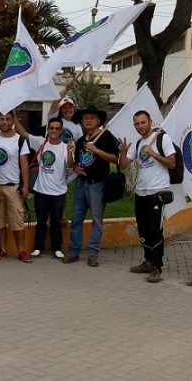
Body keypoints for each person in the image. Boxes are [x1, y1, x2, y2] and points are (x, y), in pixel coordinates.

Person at [118, 111, 176, 283]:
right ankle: (148, 262)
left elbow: (172, 163)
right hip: (141, 193)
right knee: (143, 230)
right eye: (137, 124)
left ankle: (157, 267)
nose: (140, 126)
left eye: (143, 122)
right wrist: (123, 153)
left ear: (150, 122)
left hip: (157, 193)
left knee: (155, 230)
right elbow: (123, 166)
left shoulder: (162, 139)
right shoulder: (137, 143)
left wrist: (154, 153)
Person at [62, 104, 119, 267]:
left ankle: (93, 254)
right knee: (76, 219)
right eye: (85, 118)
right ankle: (74, 251)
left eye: (91, 118)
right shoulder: (81, 140)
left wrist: (96, 150)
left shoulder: (106, 136)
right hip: (81, 184)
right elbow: (74, 164)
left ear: (98, 120)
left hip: (97, 185)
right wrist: (75, 166)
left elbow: (115, 158)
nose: (88, 121)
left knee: (96, 220)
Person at [0, 111, 32, 263]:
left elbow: (24, 164)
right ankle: (2, 249)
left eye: (8, 119)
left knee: (17, 220)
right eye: (2, 119)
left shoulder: (20, 140)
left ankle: (21, 250)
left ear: (13, 121)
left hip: (13, 186)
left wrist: (26, 186)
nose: (4, 122)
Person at [23, 118, 75, 259]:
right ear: (48, 129)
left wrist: (70, 152)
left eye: (57, 129)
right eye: (51, 128)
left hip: (58, 192)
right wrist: (12, 113)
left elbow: (70, 165)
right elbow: (23, 133)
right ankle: (38, 247)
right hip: (41, 191)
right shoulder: (41, 143)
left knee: (56, 222)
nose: (54, 131)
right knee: (41, 221)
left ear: (61, 131)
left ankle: (56, 248)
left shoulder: (65, 147)